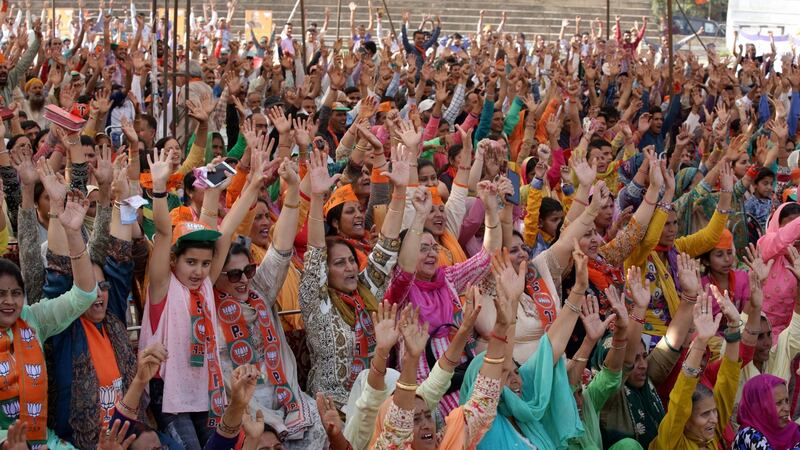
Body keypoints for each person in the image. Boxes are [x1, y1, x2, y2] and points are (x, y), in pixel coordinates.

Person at [213, 154, 327, 448]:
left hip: (291, 406)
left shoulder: (258, 290)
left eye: (248, 271)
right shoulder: (205, 305)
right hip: (244, 414)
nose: (243, 280)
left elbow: (281, 249)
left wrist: (291, 193)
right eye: (234, 274)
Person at [299, 146, 409, 408]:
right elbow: (315, 252)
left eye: (351, 260)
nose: (349, 267)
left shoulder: (366, 290)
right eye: (339, 263)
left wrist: (401, 193)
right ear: (325, 272)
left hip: (374, 400)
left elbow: (386, 247)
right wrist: (316, 197)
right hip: (334, 407)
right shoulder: (318, 302)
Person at [0, 191, 98, 448]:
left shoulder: (31, 319)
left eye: (16, 293)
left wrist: (74, 235)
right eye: (0, 294)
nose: (9, 301)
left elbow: (84, 295)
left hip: (43, 440)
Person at [649, 287, 742, 450]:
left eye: (713, 412)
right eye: (705, 414)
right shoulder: (672, 443)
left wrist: (734, 326)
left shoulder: (711, 437)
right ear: (685, 420)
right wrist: (700, 342)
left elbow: (728, 379)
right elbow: (680, 398)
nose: (714, 418)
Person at [734, 374, 800, 450]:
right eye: (778, 403)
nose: (787, 408)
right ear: (758, 407)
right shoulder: (748, 434)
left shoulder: (793, 430)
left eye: (787, 401)